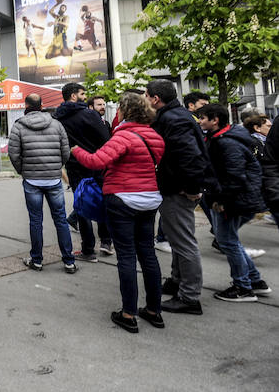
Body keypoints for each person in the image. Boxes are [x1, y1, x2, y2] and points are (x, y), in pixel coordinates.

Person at [72, 93, 166, 333]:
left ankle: (128, 313)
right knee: (147, 253)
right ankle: (154, 310)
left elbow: (96, 161)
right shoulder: (155, 136)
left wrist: (75, 150)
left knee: (126, 256)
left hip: (123, 199)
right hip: (150, 199)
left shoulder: (123, 136)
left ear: (124, 111)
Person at [145, 79, 219, 315]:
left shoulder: (173, 119)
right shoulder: (173, 116)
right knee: (178, 240)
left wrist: (190, 187)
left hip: (178, 190)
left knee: (184, 243)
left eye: (146, 96)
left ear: (155, 99)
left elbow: (190, 157)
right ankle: (177, 281)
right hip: (175, 187)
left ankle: (189, 297)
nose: (145, 100)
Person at [198, 104, 272, 301]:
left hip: (234, 200)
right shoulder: (222, 138)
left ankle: (242, 286)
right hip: (237, 198)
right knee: (230, 240)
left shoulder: (227, 143)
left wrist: (222, 200)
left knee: (228, 241)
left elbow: (234, 176)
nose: (200, 121)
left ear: (215, 120)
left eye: (204, 117)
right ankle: (255, 281)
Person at [8, 93, 77, 273]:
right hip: (54, 179)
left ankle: (36, 260)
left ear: (26, 105)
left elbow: (13, 154)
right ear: (42, 105)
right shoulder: (56, 124)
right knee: (60, 219)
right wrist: (56, 167)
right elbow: (65, 152)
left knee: (35, 220)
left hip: (31, 180)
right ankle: (69, 260)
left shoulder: (18, 127)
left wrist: (23, 170)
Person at [55, 83, 113, 260]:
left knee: (81, 204)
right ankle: (105, 241)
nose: (84, 96)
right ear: (73, 96)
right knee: (102, 201)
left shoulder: (58, 118)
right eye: (82, 93)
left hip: (74, 165)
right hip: (97, 164)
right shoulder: (89, 115)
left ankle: (88, 249)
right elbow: (106, 139)